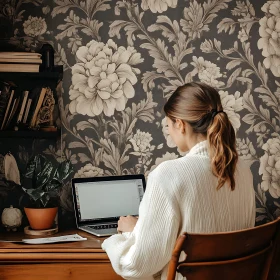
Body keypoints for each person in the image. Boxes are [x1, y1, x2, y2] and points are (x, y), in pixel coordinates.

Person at [102, 82, 256, 280]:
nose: (170, 133)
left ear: (180, 124)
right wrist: (141, 229)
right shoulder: (243, 171)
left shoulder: (167, 174)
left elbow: (136, 266)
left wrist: (123, 236)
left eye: (168, 126)